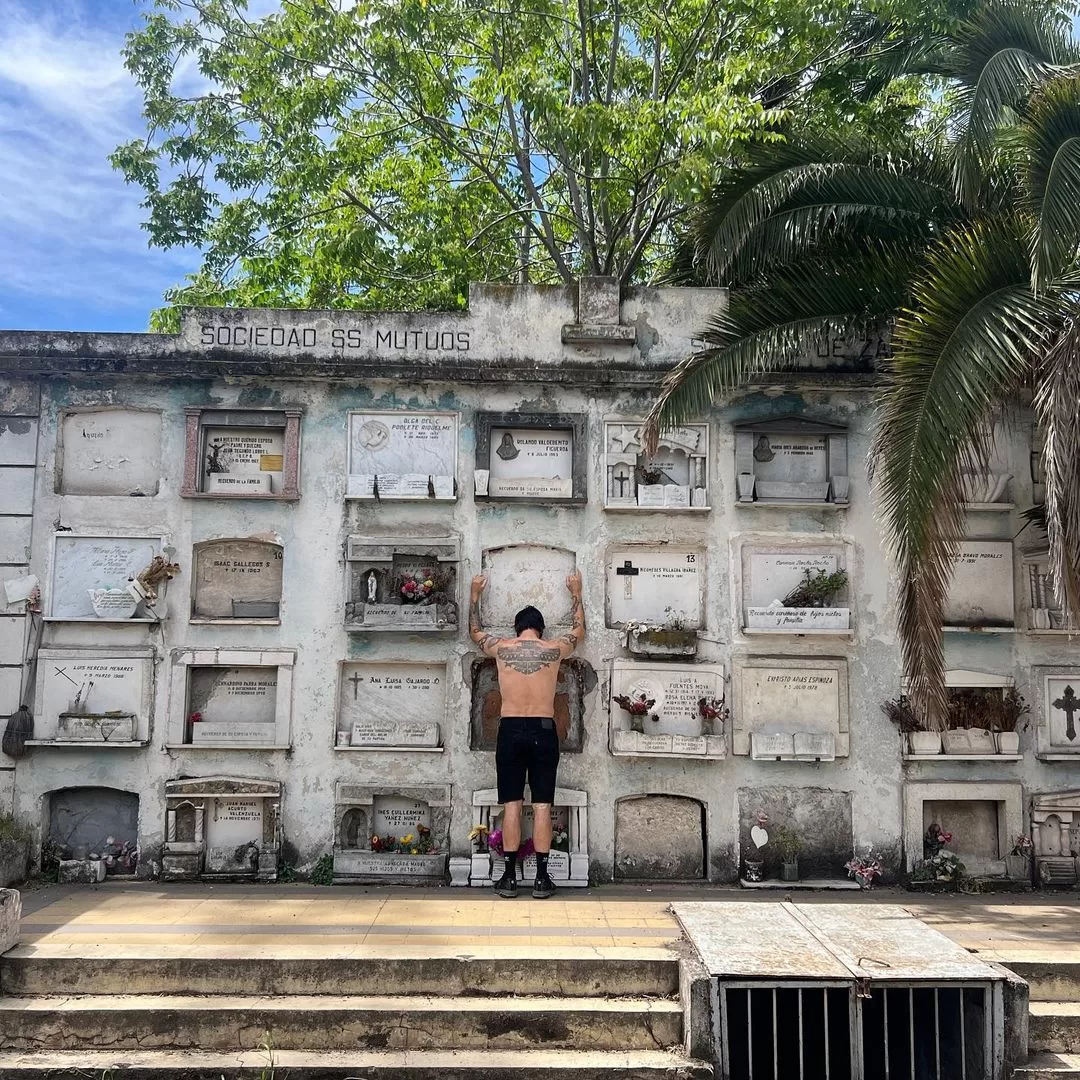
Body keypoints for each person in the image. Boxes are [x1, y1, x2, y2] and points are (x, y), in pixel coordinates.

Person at [469, 570, 585, 898]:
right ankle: (542, 879)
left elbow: (474, 631)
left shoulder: (502, 649)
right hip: (543, 730)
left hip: (510, 731)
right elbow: (579, 630)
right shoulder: (553, 650)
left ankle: (508, 878)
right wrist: (576, 591)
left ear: (517, 629)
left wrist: (475, 594)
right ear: (541, 628)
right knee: (544, 805)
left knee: (512, 805)